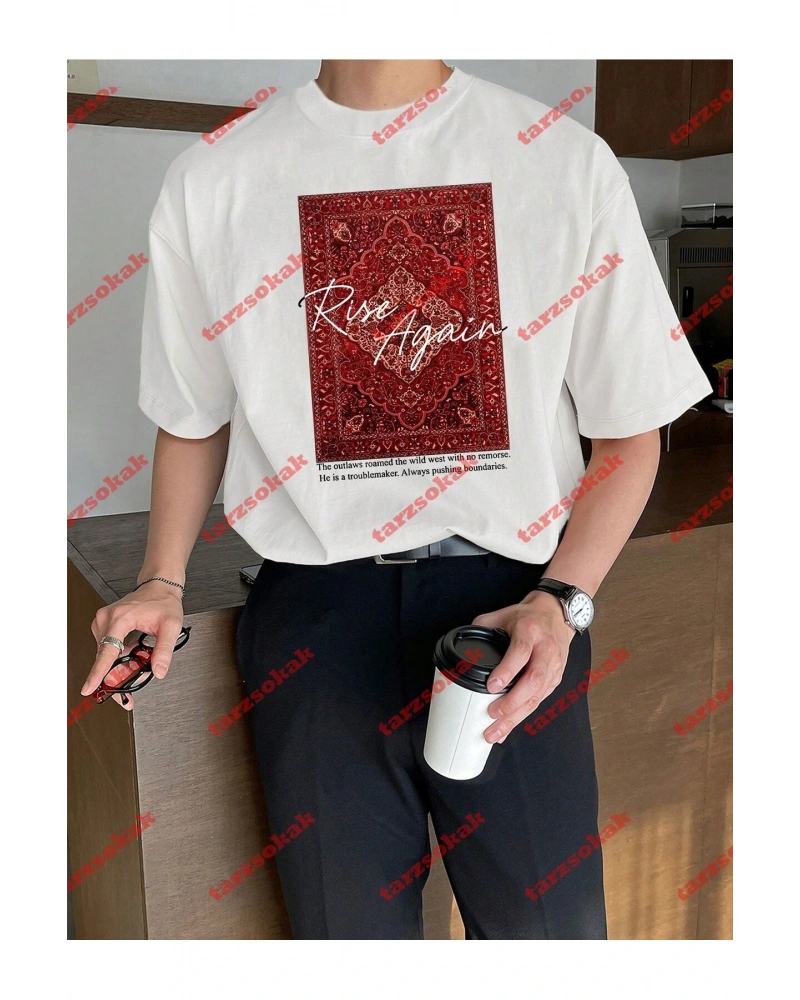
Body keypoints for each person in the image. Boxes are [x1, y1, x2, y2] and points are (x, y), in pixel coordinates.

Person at [81, 60, 711, 939]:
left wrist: (563, 600)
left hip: (511, 619)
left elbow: (630, 431)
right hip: (315, 623)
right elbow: (193, 418)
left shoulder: (563, 160)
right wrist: (162, 579)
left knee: (550, 938)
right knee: (345, 940)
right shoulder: (214, 178)